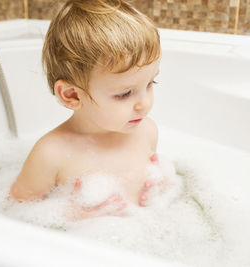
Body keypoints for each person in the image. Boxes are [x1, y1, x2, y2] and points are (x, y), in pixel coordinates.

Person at [9, 0, 163, 220]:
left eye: (150, 84)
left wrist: (161, 188)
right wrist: (69, 214)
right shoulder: (51, 153)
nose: (145, 103)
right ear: (72, 95)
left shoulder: (147, 132)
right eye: (124, 94)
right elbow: (13, 213)